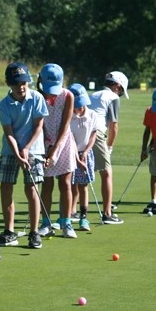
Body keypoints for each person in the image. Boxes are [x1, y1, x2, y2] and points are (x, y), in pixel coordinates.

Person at [0, 62, 49, 249]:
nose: (21, 87)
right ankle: (9, 231)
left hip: (33, 149)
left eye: (24, 82)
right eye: (17, 83)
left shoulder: (37, 98)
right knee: (5, 187)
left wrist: (26, 148)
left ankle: (34, 233)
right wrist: (18, 152)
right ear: (9, 84)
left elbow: (38, 126)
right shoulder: (4, 104)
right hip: (10, 150)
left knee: (31, 189)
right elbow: (8, 132)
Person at [36, 64, 77, 239]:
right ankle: (46, 222)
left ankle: (66, 222)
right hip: (43, 142)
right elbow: (38, 123)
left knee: (65, 182)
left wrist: (55, 148)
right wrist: (47, 145)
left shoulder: (68, 95)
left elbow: (65, 125)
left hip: (64, 141)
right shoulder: (37, 95)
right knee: (47, 183)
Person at [88, 71, 129, 224]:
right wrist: (109, 146)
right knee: (106, 172)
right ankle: (107, 214)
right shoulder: (112, 98)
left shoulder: (93, 95)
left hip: (82, 133)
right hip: (97, 134)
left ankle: (73, 211)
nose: (120, 95)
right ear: (117, 86)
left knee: (83, 173)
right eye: (121, 91)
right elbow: (114, 126)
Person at [68, 84, 98, 232]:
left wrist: (86, 152)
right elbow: (70, 139)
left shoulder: (92, 114)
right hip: (71, 153)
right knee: (70, 185)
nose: (78, 109)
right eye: (75, 106)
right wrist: (77, 159)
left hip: (86, 153)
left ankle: (83, 218)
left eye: (80, 106)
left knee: (83, 186)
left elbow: (93, 134)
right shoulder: (68, 116)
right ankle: (68, 215)